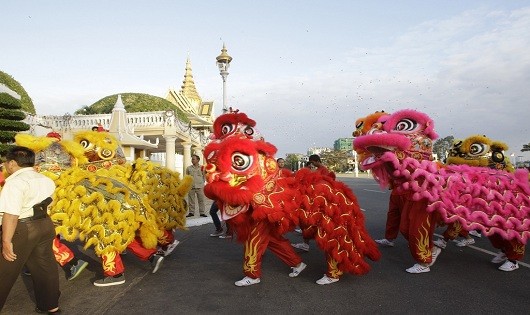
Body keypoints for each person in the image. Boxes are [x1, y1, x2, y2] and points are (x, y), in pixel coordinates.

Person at [0, 146, 60, 313]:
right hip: (44, 224)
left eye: (6, 162)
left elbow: (11, 214)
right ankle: (50, 305)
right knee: (45, 266)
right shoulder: (45, 179)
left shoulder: (15, 183)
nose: (5, 166)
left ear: (12, 163)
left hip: (22, 228)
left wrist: (6, 241)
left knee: (4, 269)